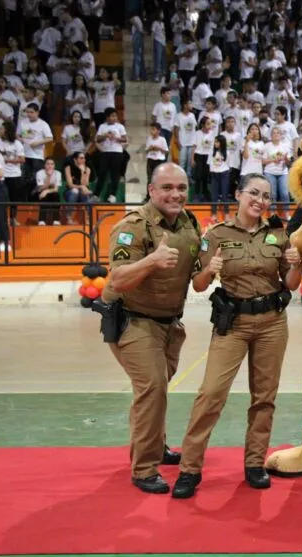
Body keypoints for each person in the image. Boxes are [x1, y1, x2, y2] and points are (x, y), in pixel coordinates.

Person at [172, 174, 302, 498]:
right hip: (233, 324)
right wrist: (208, 269)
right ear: (238, 195)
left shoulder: (278, 234)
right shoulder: (216, 235)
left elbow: (292, 282)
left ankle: (255, 464)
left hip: (272, 322)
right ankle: (190, 468)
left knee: (264, 397)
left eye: (266, 196)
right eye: (253, 194)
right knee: (211, 394)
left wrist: (297, 264)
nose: (259, 200)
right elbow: (199, 285)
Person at [101, 162, 201, 494]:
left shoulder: (189, 223)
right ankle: (144, 468)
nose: (176, 194)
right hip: (133, 321)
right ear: (152, 191)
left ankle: (155, 446)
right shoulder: (132, 227)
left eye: (182, 188)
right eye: (168, 188)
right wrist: (150, 261)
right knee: (152, 388)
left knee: (155, 390)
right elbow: (117, 278)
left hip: (170, 325)